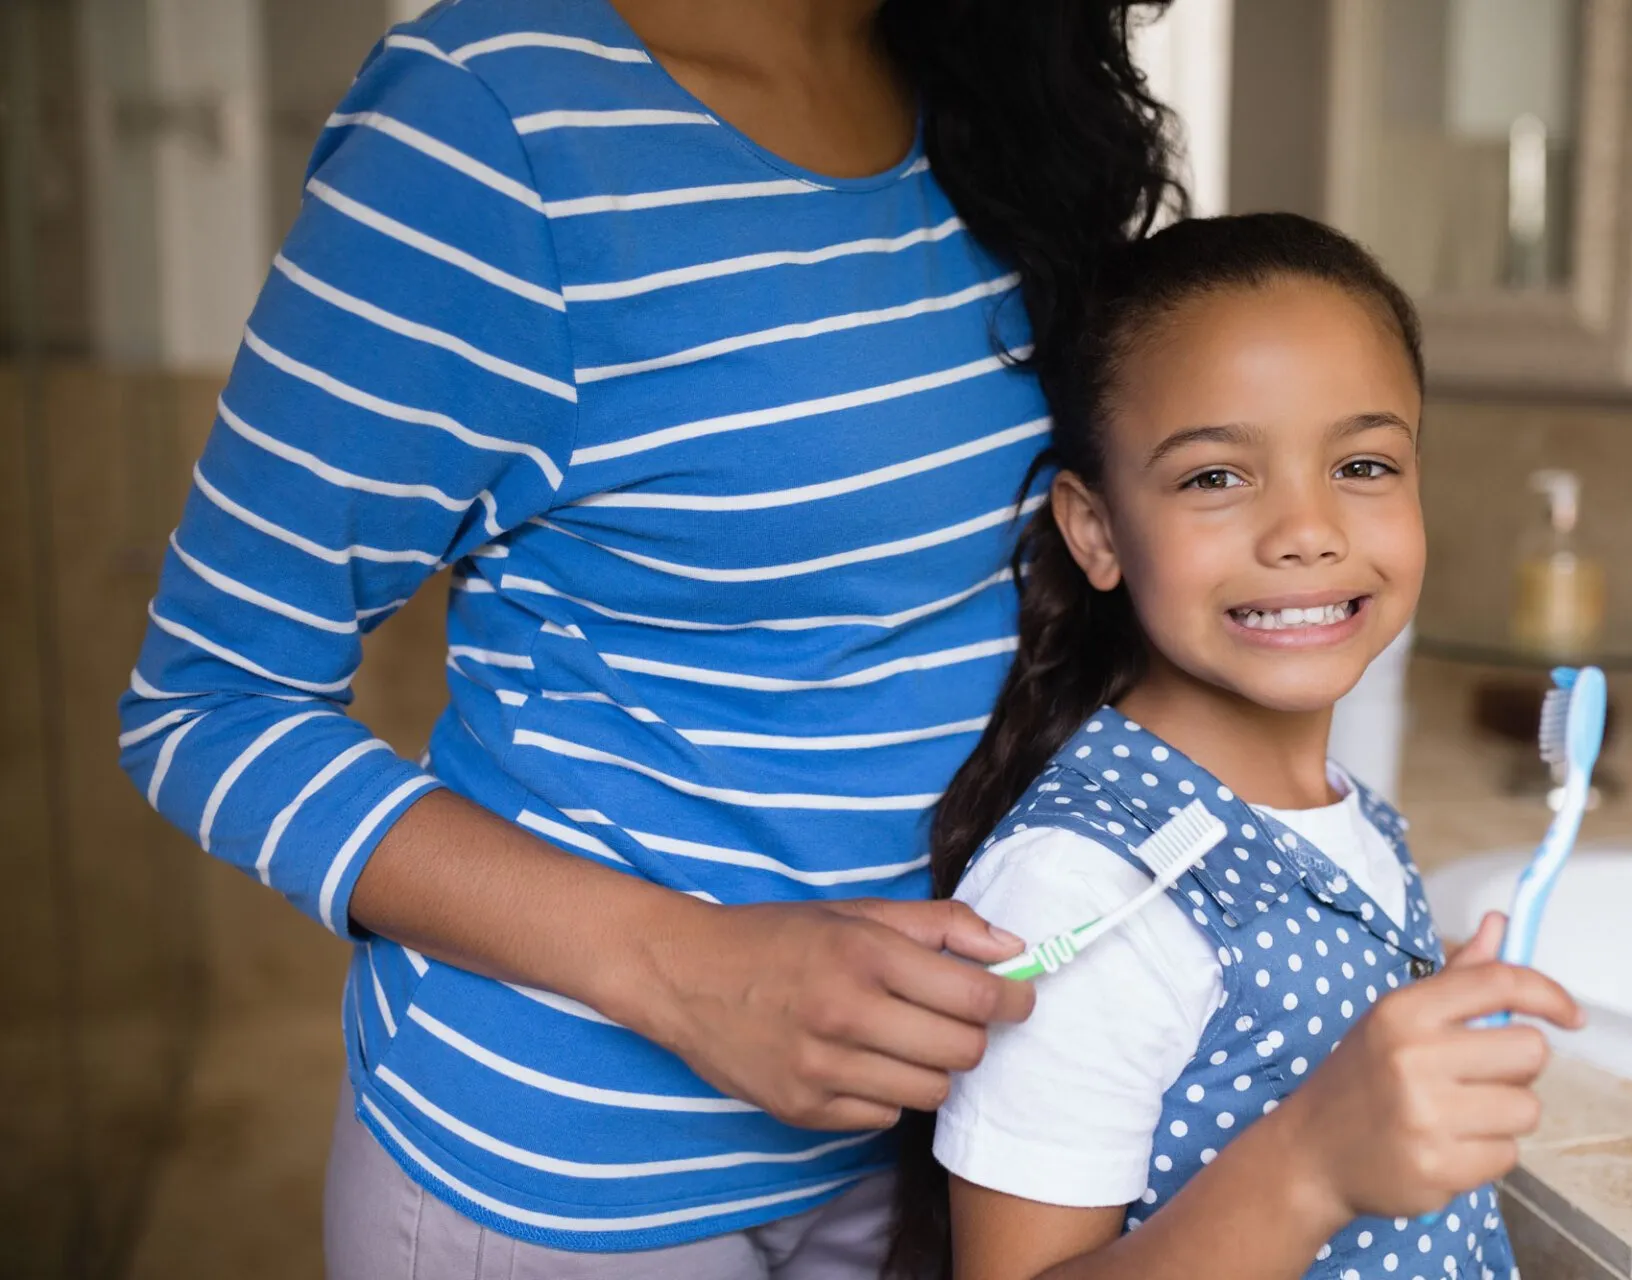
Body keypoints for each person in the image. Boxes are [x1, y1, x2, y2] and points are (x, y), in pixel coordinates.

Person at [115, 1, 1186, 1274]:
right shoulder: (496, 120)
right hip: (564, 1180)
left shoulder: (1000, 83)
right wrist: (691, 972)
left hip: (931, 1133)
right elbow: (206, 704)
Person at [892, 213, 1585, 1280]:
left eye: (1363, 462)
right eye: (1216, 476)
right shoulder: (1083, 885)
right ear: (1098, 531)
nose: (1306, 530)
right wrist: (1311, 1163)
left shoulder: (1348, 811)